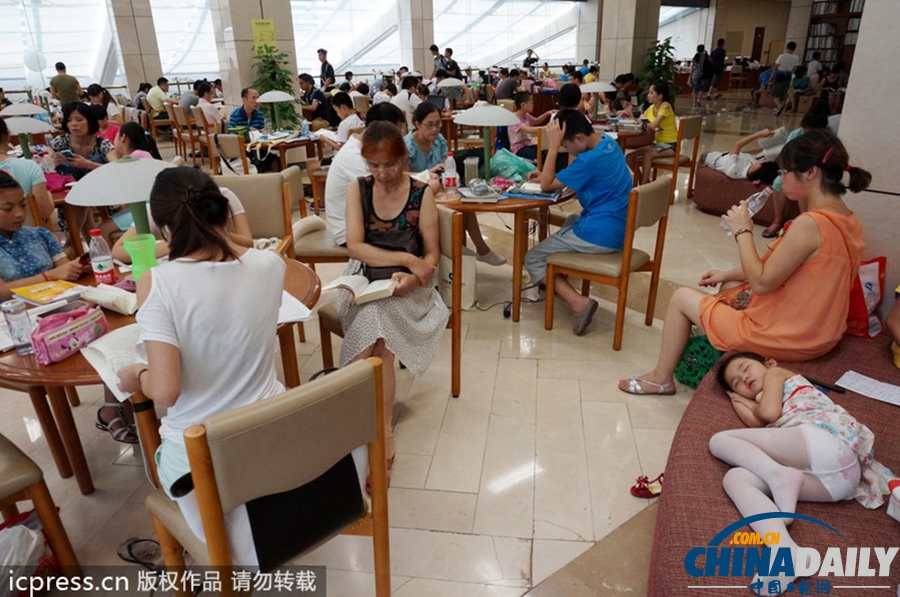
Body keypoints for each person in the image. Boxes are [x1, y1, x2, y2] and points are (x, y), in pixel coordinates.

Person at [116, 167, 285, 566]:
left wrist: (136, 374)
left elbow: (166, 390)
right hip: (271, 433)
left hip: (200, 459)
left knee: (163, 444)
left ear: (162, 228)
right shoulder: (270, 265)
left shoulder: (158, 282)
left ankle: (202, 555)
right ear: (224, 210)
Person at [619, 129, 870, 395]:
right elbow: (786, 268)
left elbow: (762, 282)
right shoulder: (848, 218)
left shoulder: (811, 224)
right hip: (823, 334)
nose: (780, 179)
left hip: (792, 337)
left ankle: (661, 378)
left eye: (785, 172)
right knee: (732, 284)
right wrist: (727, 273)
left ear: (810, 173)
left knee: (681, 298)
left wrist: (742, 231)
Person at [710, 351, 895, 593]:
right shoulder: (765, 400)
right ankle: (786, 551)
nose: (744, 378)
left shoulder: (777, 374)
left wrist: (751, 404)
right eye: (736, 383)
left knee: (719, 441)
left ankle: (778, 475)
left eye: (746, 368)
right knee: (736, 479)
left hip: (826, 441)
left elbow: (767, 414)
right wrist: (739, 401)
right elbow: (757, 423)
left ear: (769, 363)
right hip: (838, 483)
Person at [338, 121, 449, 483]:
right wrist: (405, 259)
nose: (382, 173)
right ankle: (367, 425)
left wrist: (413, 275)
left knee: (380, 335)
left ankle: (371, 428)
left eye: (389, 165)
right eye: (373, 165)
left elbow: (431, 257)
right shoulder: (358, 188)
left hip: (410, 290)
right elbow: (356, 247)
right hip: (366, 282)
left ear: (403, 157)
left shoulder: (421, 194)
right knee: (375, 320)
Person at [0, 171, 135, 444]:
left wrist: (75, 268)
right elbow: (2, 290)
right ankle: (114, 409)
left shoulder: (38, 235)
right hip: (16, 327)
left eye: (22, 205)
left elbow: (64, 268)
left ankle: (114, 405)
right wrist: (50, 276)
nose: (19, 214)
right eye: (8, 208)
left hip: (61, 312)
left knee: (112, 333)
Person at [523, 109, 632, 335]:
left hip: (600, 235)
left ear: (579, 138)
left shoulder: (588, 160)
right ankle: (557, 274)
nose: (566, 150)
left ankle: (578, 302)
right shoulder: (608, 144)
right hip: (620, 229)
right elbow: (568, 178)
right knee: (572, 219)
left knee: (532, 257)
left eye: (565, 146)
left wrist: (552, 148)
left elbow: (546, 186)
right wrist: (548, 175)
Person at [404, 102, 505, 266]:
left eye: (438, 124)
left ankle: (479, 250)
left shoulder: (439, 140)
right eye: (430, 125)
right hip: (418, 194)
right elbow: (403, 175)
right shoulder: (407, 145)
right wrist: (428, 172)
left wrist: (448, 169)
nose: (435, 129)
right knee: (456, 209)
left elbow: (447, 163)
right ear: (417, 124)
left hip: (439, 188)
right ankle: (465, 251)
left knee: (465, 203)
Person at [324, 103, 406, 246]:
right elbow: (389, 188)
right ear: (381, 130)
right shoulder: (355, 156)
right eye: (396, 134)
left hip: (364, 222)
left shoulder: (363, 147)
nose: (399, 140)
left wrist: (425, 175)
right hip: (349, 231)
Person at [0, 119, 53, 225]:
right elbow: (45, 211)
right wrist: (49, 196)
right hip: (30, 231)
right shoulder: (29, 167)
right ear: (7, 136)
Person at [625, 80, 677, 185]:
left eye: (651, 93)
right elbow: (639, 122)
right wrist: (630, 113)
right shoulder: (651, 108)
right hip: (658, 144)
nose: (648, 95)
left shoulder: (665, 106)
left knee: (648, 155)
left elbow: (653, 126)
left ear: (660, 96)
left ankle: (643, 184)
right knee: (629, 157)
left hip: (670, 145)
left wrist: (645, 124)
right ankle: (645, 182)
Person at [701, 128, 780, 182]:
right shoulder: (754, 168)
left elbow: (738, 145)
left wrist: (759, 134)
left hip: (712, 158)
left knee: (702, 154)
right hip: (730, 156)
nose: (764, 160)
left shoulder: (733, 170)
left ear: (758, 166)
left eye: (764, 161)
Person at [508, 91, 552, 162]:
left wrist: (547, 113)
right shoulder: (514, 118)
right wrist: (546, 128)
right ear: (523, 105)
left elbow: (536, 121)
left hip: (528, 144)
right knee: (536, 155)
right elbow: (528, 129)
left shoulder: (526, 115)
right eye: (532, 103)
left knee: (544, 149)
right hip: (518, 148)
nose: (533, 105)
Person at [769, 42, 800, 115]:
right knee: (782, 94)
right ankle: (779, 109)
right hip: (788, 76)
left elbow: (775, 68)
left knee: (774, 93)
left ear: (786, 47)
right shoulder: (796, 57)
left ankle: (779, 106)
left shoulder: (781, 56)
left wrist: (771, 78)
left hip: (780, 75)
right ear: (794, 48)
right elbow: (794, 69)